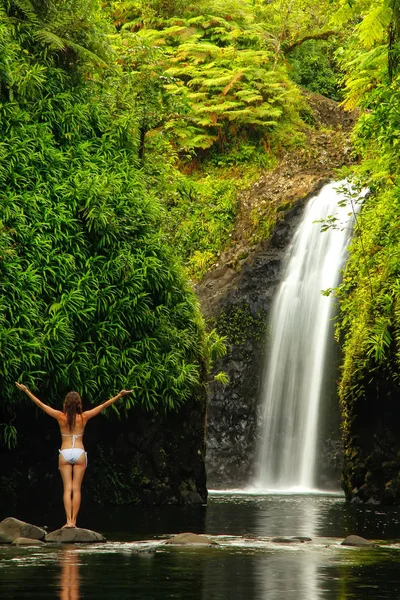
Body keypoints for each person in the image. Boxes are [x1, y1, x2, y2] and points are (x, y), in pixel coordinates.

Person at [15, 382, 132, 528]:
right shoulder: (83, 417)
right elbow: (103, 406)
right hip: (79, 453)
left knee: (67, 489)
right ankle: (74, 522)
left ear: (66, 404)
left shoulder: (60, 417)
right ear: (78, 404)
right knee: (76, 489)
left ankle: (67, 521)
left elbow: (41, 405)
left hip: (64, 453)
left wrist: (26, 391)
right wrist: (119, 395)